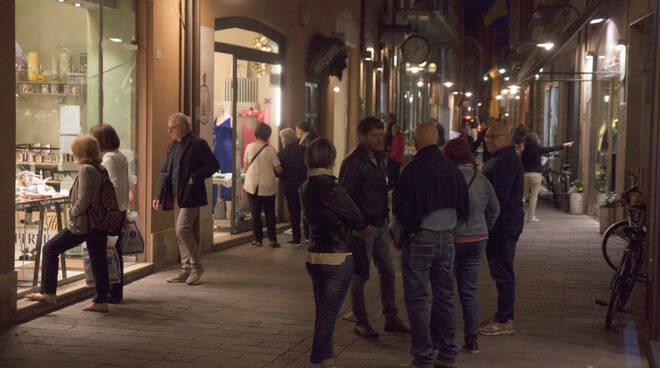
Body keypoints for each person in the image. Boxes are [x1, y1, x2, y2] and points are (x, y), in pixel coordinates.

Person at [391, 124, 468, 368]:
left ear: (416, 141)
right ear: (438, 141)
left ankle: (423, 355)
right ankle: (447, 353)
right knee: (444, 297)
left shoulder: (413, 170)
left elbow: (402, 209)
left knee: (418, 300)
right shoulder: (451, 169)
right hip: (446, 239)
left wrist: (399, 236)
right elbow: (463, 205)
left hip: (420, 239)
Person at [339, 117, 410, 338]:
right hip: (365, 228)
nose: (380, 139)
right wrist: (360, 224)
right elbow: (345, 197)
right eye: (375, 136)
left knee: (388, 271)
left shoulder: (379, 157)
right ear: (362, 137)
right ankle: (361, 321)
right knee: (361, 275)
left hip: (380, 224)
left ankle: (391, 317)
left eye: (381, 135)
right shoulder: (353, 162)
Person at [301, 137, 367, 368]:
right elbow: (357, 219)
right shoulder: (332, 187)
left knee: (323, 312)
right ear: (331, 158)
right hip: (337, 256)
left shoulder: (305, 187)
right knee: (328, 315)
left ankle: (327, 358)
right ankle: (315, 359)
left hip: (314, 255)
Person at [26, 135, 110, 313]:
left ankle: (48, 292)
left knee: (50, 248)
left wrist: (71, 212)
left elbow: (84, 199)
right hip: (98, 223)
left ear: (80, 152)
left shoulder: (86, 169)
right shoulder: (100, 168)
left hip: (84, 223)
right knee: (98, 260)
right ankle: (101, 300)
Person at [442, 138, 500, 354]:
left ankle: (445, 338)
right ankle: (472, 339)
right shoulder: (482, 179)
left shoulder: (449, 178)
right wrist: (485, 227)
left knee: (445, 290)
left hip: (453, 238)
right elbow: (495, 209)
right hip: (478, 239)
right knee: (469, 290)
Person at [153, 113, 220, 285]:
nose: (169, 131)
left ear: (183, 127)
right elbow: (164, 171)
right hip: (176, 194)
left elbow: (213, 165)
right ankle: (185, 269)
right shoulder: (173, 146)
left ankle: (197, 267)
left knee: (182, 229)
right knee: (179, 232)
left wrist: (195, 177)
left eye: (172, 127)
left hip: (191, 194)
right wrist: (158, 194)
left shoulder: (197, 145)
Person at [479, 123, 524, 336]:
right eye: (486, 137)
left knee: (502, 270)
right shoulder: (501, 157)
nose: (488, 141)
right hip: (504, 222)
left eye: (493, 137)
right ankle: (503, 314)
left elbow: (498, 197)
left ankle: (505, 319)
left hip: (503, 224)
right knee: (500, 270)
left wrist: (489, 221)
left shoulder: (505, 160)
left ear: (506, 137)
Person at [91, 123, 129, 304]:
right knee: (114, 251)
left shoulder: (109, 159)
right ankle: (115, 290)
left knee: (108, 252)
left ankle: (112, 292)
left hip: (111, 213)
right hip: (119, 210)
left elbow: (113, 186)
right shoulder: (119, 156)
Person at [244, 123, 284, 247]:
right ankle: (272, 239)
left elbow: (246, 167)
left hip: (252, 185)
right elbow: (278, 169)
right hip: (267, 186)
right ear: (268, 135)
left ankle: (258, 240)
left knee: (255, 213)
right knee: (269, 213)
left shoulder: (249, 147)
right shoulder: (271, 149)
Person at [521, 132, 574, 222]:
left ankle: (519, 215)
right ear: (535, 140)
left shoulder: (524, 151)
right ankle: (531, 217)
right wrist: (564, 145)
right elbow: (551, 149)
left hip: (525, 174)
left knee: (523, 196)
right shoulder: (538, 149)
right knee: (534, 195)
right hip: (536, 175)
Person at [278, 127, 307, 245]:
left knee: (294, 211)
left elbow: (277, 171)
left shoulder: (282, 153)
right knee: (306, 209)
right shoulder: (304, 150)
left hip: (289, 185)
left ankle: (297, 238)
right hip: (304, 183)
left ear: (285, 139)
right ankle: (309, 236)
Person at [387, 124, 405, 190]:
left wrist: (391, 157)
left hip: (395, 159)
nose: (392, 131)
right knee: (395, 174)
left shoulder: (398, 138)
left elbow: (396, 149)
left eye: (393, 129)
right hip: (397, 159)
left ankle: (392, 188)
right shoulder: (397, 137)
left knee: (393, 174)